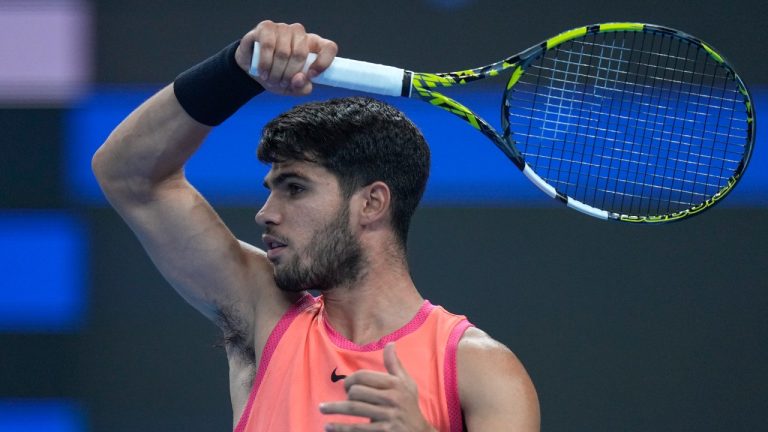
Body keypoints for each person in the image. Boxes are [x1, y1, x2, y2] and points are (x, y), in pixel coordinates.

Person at [92, 20, 540, 432]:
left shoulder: (481, 372)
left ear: (371, 203)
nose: (265, 213)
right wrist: (237, 71)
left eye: (294, 188)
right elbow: (129, 175)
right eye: (271, 188)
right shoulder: (265, 315)